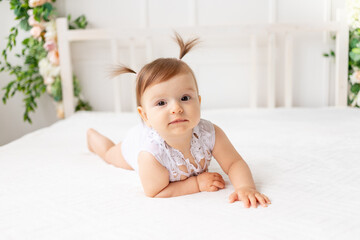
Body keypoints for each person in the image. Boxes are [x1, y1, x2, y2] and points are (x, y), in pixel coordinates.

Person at [87, 33, 271, 208]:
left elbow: (234, 163)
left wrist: (245, 187)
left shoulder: (209, 133)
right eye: (161, 102)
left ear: (198, 102)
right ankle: (92, 138)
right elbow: (155, 191)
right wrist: (196, 184)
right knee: (111, 154)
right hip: (135, 142)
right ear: (145, 116)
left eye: (184, 98)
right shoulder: (150, 154)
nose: (176, 108)